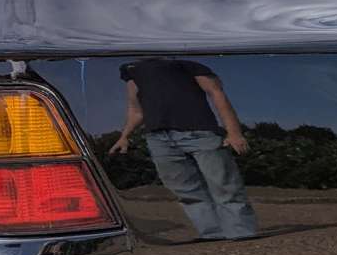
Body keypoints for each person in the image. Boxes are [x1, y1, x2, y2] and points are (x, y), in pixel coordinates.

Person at [109, 59, 259, 240]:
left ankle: (242, 233)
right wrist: (124, 136)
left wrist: (234, 132)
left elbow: (216, 93)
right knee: (185, 190)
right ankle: (212, 234)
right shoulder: (131, 68)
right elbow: (136, 109)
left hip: (200, 132)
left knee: (224, 185)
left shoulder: (183, 60)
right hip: (158, 139)